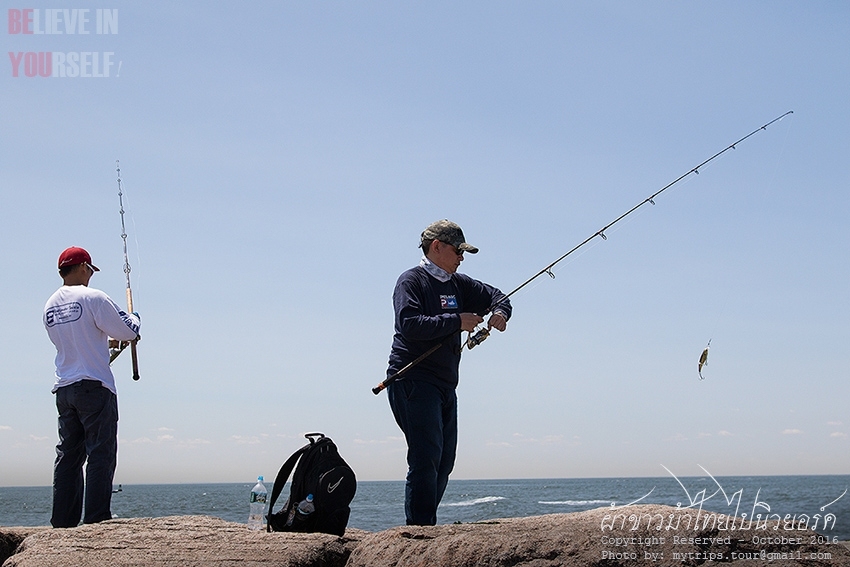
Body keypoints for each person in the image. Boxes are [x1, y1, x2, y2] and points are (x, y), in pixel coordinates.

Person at [386, 219, 511, 525]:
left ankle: (426, 522)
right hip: (411, 379)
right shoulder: (411, 281)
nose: (461, 257)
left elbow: (498, 295)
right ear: (437, 247)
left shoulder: (458, 283)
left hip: (445, 386)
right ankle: (419, 529)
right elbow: (409, 324)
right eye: (458, 251)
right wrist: (456, 322)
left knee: (444, 460)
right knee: (425, 456)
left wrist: (499, 313)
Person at [43, 246, 140, 528]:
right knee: (101, 453)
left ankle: (62, 522)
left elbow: (77, 338)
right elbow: (127, 330)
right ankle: (96, 520)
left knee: (69, 457)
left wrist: (104, 343)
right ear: (84, 267)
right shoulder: (93, 297)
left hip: (64, 388)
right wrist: (136, 321)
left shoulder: (50, 305)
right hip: (95, 388)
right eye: (90, 270)